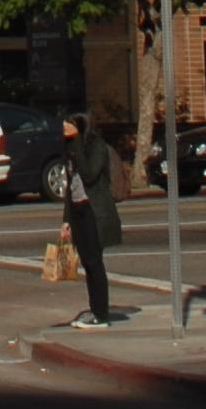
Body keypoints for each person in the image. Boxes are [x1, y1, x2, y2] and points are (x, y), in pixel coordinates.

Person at [62, 110, 122, 328]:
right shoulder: (70, 149)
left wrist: (77, 141)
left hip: (94, 212)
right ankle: (94, 310)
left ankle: (101, 314)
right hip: (78, 211)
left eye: (69, 126)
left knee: (95, 263)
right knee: (87, 263)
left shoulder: (96, 146)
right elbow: (71, 187)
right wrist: (66, 220)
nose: (64, 129)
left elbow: (88, 175)